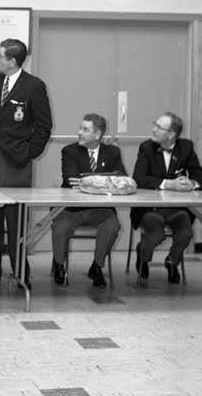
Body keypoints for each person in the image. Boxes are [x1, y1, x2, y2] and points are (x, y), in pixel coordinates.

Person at [0, 38, 52, 287]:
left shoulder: (34, 86)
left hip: (16, 163)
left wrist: (29, 153)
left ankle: (20, 272)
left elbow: (44, 126)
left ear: (13, 61)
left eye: (0, 56)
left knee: (16, 222)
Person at [132, 112, 202, 283]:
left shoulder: (186, 147)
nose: (153, 129)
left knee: (186, 233)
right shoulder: (146, 147)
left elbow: (201, 178)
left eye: (159, 127)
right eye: (155, 124)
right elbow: (139, 179)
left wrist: (191, 183)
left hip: (176, 209)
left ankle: (172, 262)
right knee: (156, 233)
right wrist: (169, 184)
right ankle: (143, 255)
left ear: (172, 134)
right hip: (150, 209)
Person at [53, 113, 126, 287]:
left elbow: (120, 179)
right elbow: (71, 180)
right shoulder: (69, 151)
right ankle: (59, 265)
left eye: (85, 130)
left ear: (97, 134)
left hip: (100, 209)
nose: (79, 132)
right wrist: (105, 181)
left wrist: (88, 181)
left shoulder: (113, 152)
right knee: (60, 228)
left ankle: (97, 266)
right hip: (71, 209)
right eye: (80, 128)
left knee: (113, 226)